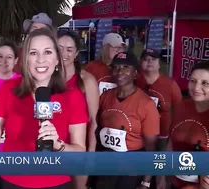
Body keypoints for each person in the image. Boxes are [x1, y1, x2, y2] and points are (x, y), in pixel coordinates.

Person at [0, 28, 89, 189]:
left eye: (47, 52)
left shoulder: (73, 96)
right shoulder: (7, 90)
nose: (40, 59)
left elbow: (80, 154)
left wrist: (58, 144)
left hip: (57, 183)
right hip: (11, 181)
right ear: (26, 60)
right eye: (33, 53)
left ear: (56, 60)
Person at [89, 51, 160, 189]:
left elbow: (151, 148)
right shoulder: (104, 97)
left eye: (126, 67)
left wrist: (146, 182)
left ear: (135, 73)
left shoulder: (146, 104)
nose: (119, 71)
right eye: (115, 67)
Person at [157, 61, 209, 189]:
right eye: (193, 80)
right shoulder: (180, 107)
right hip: (175, 182)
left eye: (205, 83)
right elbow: (170, 143)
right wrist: (162, 177)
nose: (196, 88)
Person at [58, 30, 99, 189]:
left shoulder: (86, 80)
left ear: (76, 53)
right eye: (60, 48)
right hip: (54, 148)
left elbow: (95, 121)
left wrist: (90, 155)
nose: (64, 53)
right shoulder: (46, 78)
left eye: (69, 49)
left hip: (78, 150)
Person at [136, 49, 182, 150]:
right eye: (146, 59)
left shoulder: (170, 84)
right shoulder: (134, 81)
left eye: (153, 59)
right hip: (138, 132)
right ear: (140, 63)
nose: (149, 62)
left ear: (159, 64)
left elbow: (179, 109)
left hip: (162, 134)